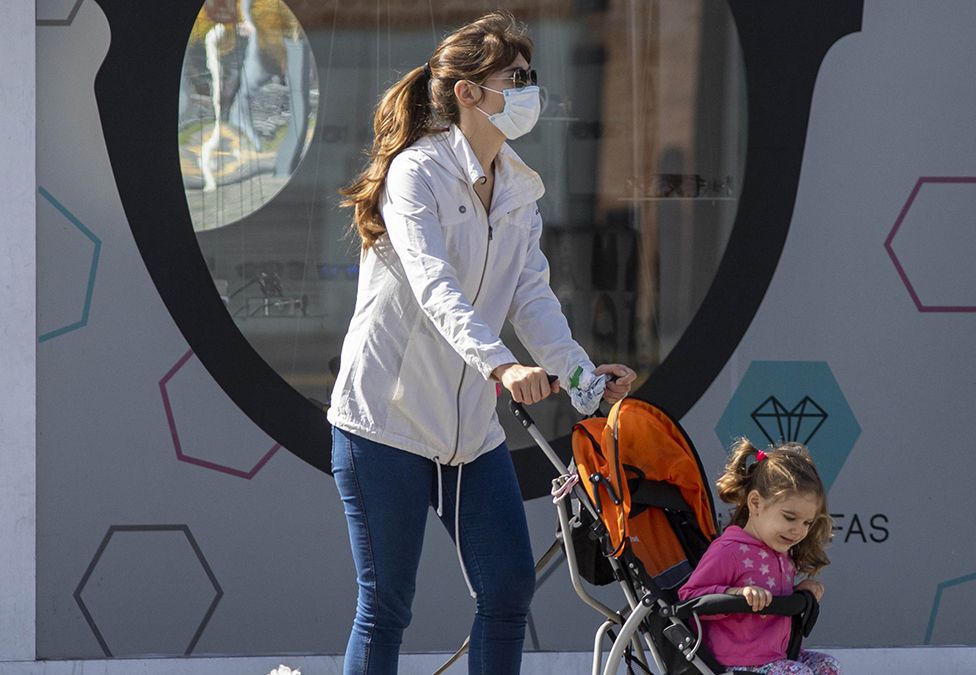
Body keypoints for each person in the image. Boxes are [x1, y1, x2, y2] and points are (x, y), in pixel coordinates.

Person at [328, 11, 636, 675]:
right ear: (468, 92)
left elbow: (532, 297)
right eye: (515, 78)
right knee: (386, 604)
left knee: (507, 590)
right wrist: (502, 364)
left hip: (469, 430)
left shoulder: (520, 186)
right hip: (384, 422)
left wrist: (582, 380)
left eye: (531, 76)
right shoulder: (417, 173)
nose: (531, 90)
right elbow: (437, 289)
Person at [677, 440, 842, 675]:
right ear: (756, 503)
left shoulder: (782, 553)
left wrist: (801, 592)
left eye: (807, 522)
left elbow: (772, 600)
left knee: (828, 666)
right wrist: (735, 593)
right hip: (734, 663)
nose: (798, 530)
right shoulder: (729, 550)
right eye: (789, 517)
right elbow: (689, 598)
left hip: (775, 656)